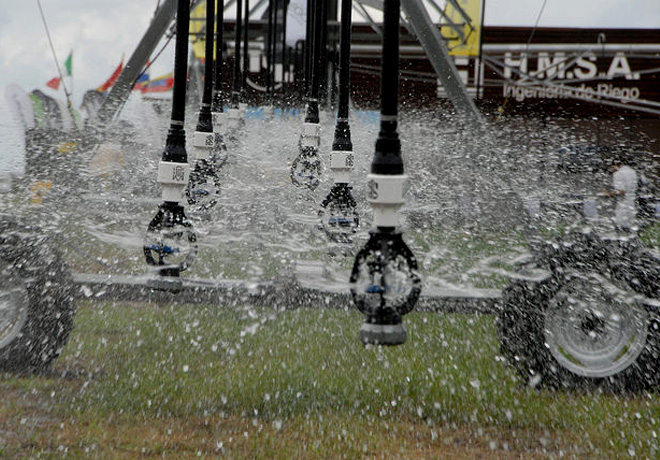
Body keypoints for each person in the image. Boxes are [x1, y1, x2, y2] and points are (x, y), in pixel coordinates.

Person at [607, 161, 638, 230]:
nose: (611, 170)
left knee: (621, 228)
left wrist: (610, 194)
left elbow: (622, 191)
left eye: (611, 167)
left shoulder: (618, 174)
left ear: (615, 164)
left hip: (623, 204)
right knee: (630, 227)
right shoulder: (632, 172)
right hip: (632, 203)